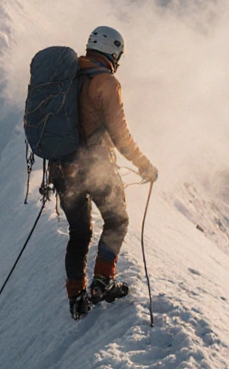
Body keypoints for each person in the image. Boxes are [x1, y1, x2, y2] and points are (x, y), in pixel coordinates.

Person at [49, 26, 158, 320]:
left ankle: (77, 299)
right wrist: (143, 164)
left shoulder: (67, 76)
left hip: (61, 169)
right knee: (117, 220)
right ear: (114, 52)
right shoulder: (106, 82)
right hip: (95, 167)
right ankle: (103, 281)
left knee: (79, 233)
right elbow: (120, 134)